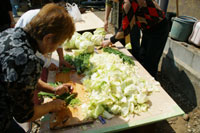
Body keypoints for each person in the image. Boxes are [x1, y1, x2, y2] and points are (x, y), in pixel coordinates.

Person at [0, 3, 75, 132]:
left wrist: (52, 89)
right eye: (58, 44)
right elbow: (25, 115)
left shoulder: (10, 33)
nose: (56, 48)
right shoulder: (27, 60)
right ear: (48, 38)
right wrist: (52, 105)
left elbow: (21, 80)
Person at [102, 0, 169, 77]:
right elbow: (128, 23)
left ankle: (153, 83)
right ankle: (146, 77)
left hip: (159, 29)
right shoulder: (126, 2)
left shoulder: (128, 3)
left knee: (150, 62)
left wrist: (110, 41)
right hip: (149, 29)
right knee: (143, 55)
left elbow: (125, 30)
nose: (111, 1)